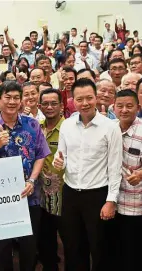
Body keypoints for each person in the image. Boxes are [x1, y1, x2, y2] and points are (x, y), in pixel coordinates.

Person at [0, 81, 50, 271]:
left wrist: (32, 180)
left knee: (29, 246)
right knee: (1, 248)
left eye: (16, 98)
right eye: (7, 97)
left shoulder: (32, 123)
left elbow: (41, 155)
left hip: (30, 195)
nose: (12, 102)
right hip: (0, 198)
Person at [53, 78, 122, 271]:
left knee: (100, 248)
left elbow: (115, 167)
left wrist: (111, 201)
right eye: (79, 99)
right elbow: (62, 157)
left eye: (89, 98)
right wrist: (60, 162)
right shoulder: (66, 125)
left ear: (96, 98)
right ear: (72, 100)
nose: (85, 103)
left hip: (98, 195)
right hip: (71, 193)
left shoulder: (110, 127)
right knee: (73, 247)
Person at [113, 89, 142, 271]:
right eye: (120, 106)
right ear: (113, 108)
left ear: (138, 108)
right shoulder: (110, 129)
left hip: (135, 205)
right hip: (113, 202)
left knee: (134, 253)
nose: (124, 110)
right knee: (116, 250)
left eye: (129, 106)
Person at [36, 88, 65, 271]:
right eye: (45, 103)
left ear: (62, 106)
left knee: (70, 241)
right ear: (39, 106)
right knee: (45, 241)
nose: (49, 107)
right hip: (40, 195)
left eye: (54, 103)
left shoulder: (69, 128)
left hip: (64, 195)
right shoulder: (36, 127)